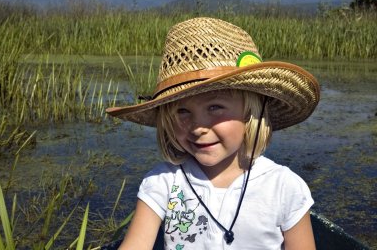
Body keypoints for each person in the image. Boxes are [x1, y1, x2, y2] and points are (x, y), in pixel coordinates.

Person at [106, 17, 320, 250]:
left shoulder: (284, 187)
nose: (198, 127)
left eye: (215, 108)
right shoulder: (163, 183)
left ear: (250, 113)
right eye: (183, 111)